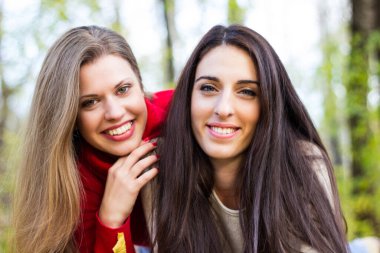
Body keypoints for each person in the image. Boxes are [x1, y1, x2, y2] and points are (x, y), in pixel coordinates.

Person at [145, 24, 349, 252]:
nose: (223, 109)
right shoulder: (160, 165)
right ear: (187, 97)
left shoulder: (303, 164)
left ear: (268, 106)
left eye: (247, 92)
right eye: (209, 88)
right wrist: (111, 218)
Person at [12, 25, 172, 253]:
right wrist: (111, 220)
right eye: (90, 102)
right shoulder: (72, 189)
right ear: (70, 117)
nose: (114, 113)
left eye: (123, 89)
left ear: (140, 84)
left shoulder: (185, 113)